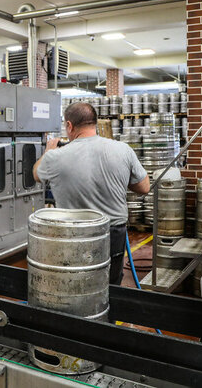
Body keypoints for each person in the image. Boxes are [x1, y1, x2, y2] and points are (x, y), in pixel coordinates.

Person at [34, 101, 150, 285]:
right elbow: (144, 187)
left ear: (69, 125)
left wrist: (48, 151)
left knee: (77, 283)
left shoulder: (55, 157)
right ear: (94, 122)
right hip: (113, 233)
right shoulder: (123, 149)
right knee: (110, 284)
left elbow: (36, 174)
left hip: (74, 234)